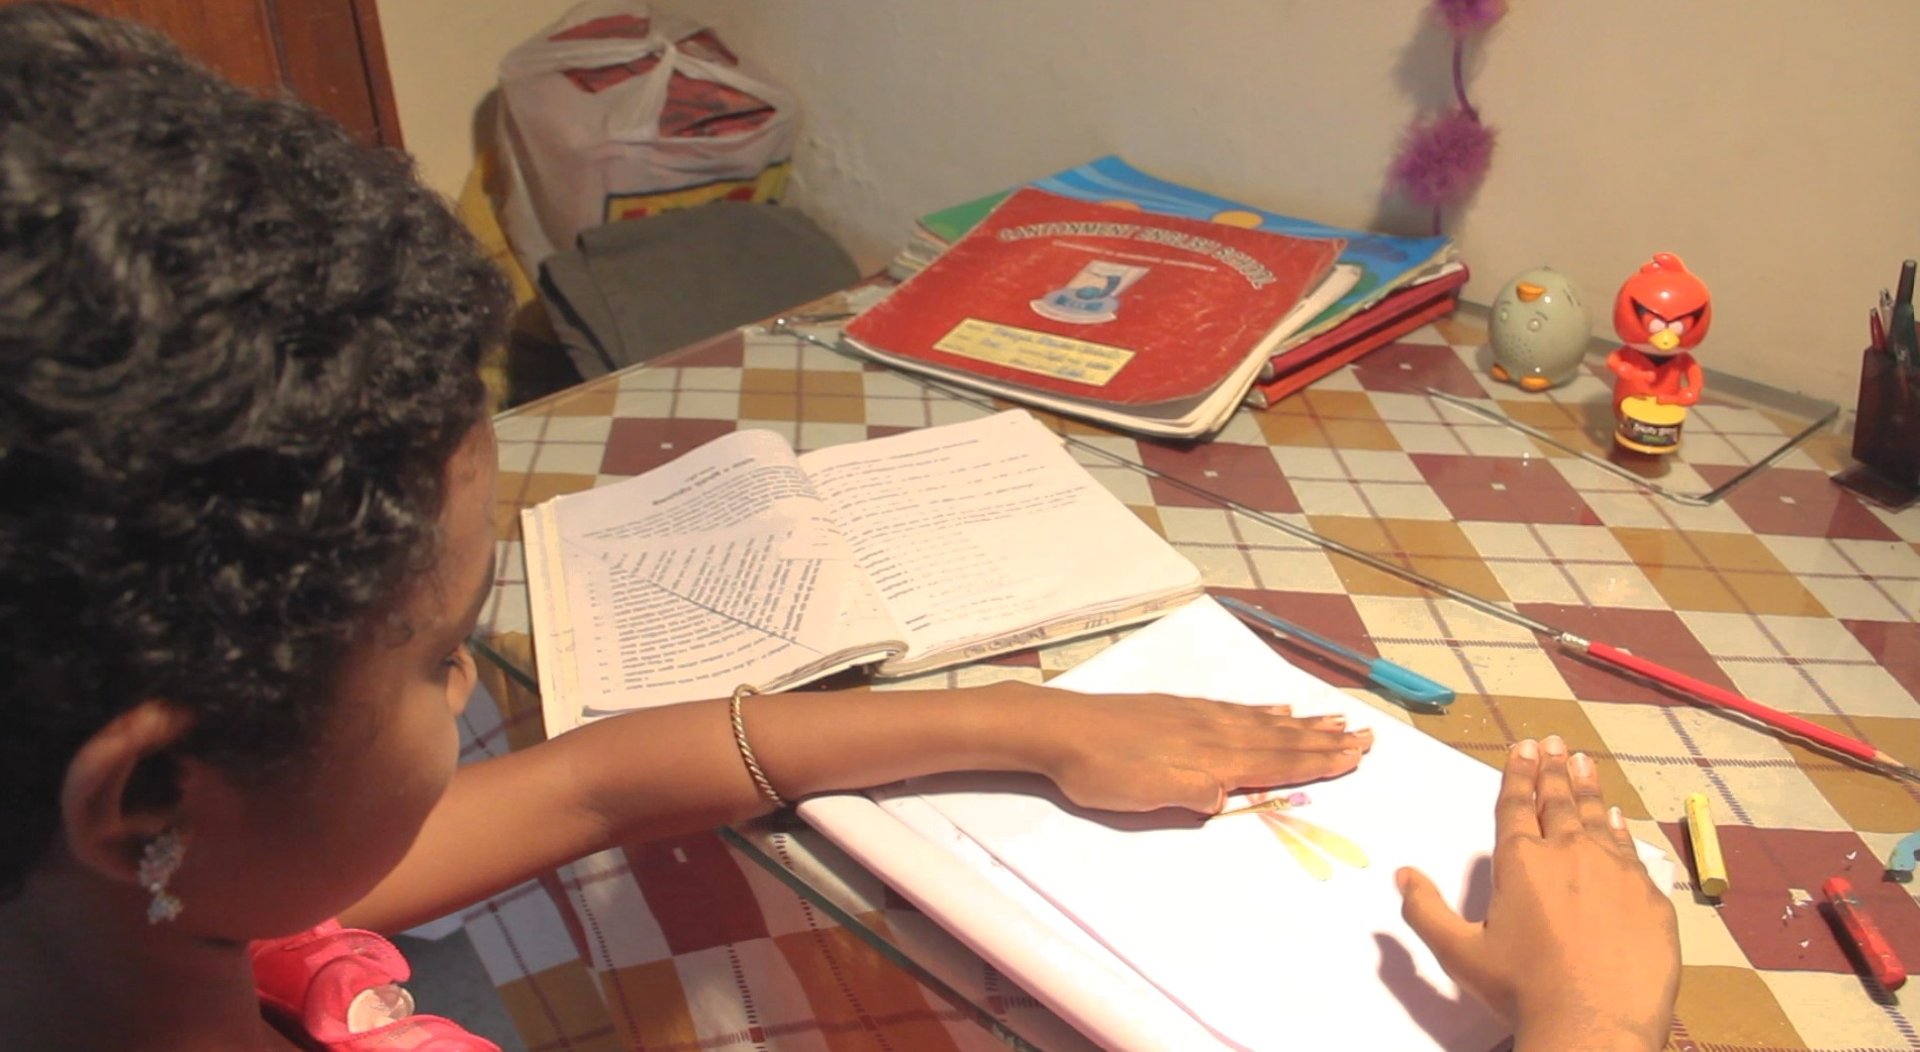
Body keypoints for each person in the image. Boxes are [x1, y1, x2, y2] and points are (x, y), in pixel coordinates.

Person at [0, 5, 1677, 1049]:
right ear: (150, 795)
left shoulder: (151, 910)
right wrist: (1592, 1019)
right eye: (441, 656)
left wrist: (1024, 721)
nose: (469, 694)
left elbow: (587, 784)